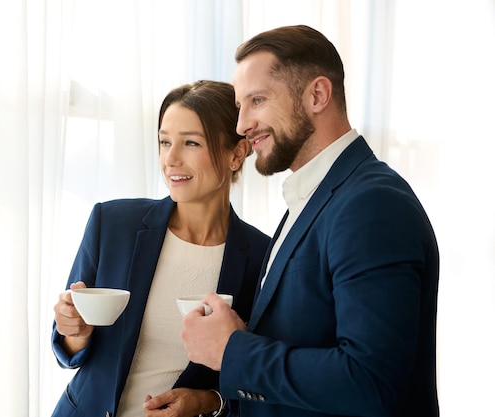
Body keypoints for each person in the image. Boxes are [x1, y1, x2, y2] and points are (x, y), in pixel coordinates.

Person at [181, 25, 440, 417]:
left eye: (258, 100)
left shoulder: (372, 203)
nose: (241, 125)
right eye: (240, 105)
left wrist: (233, 350)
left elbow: (370, 382)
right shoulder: (311, 199)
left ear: (317, 95)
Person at [50, 80, 270, 417]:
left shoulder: (262, 257)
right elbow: (68, 346)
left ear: (236, 153)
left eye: (191, 143)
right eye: (164, 142)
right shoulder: (112, 223)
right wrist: (73, 331)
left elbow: (260, 380)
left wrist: (210, 401)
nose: (171, 159)